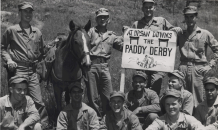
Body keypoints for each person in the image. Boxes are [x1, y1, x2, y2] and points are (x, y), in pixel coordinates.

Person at [1, 2, 51, 128]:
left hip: (32, 71)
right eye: (25, 11)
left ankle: (40, 125)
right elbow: (2, 48)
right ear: (20, 13)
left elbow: (42, 52)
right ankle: (13, 126)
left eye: (30, 12)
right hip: (18, 69)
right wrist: (9, 60)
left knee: (38, 101)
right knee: (17, 98)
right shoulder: (12, 30)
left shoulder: (37, 32)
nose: (28, 14)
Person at [128, 0, 182, 95]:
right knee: (141, 90)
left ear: (154, 8)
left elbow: (173, 34)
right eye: (146, 7)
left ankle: (154, 108)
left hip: (158, 64)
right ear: (142, 9)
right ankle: (143, 108)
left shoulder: (161, 21)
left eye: (150, 7)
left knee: (155, 89)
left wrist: (176, 29)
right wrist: (125, 32)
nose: (148, 9)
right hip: (142, 65)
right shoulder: (137, 24)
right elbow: (130, 40)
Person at [177, 6, 218, 107]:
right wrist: (172, 30)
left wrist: (210, 65)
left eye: (192, 16)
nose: (189, 19)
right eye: (187, 17)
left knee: (199, 99)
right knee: (182, 97)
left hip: (198, 69)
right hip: (183, 68)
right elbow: (166, 44)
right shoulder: (180, 34)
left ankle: (200, 121)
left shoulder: (205, 33)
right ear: (184, 18)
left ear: (196, 17)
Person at [87, 8, 123, 117]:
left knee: (108, 95)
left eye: (105, 17)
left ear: (109, 19)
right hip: (91, 66)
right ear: (96, 19)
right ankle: (96, 119)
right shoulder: (90, 32)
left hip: (104, 66)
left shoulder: (112, 35)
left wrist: (128, 34)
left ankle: (107, 118)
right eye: (100, 17)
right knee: (93, 97)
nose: (102, 19)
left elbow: (123, 47)